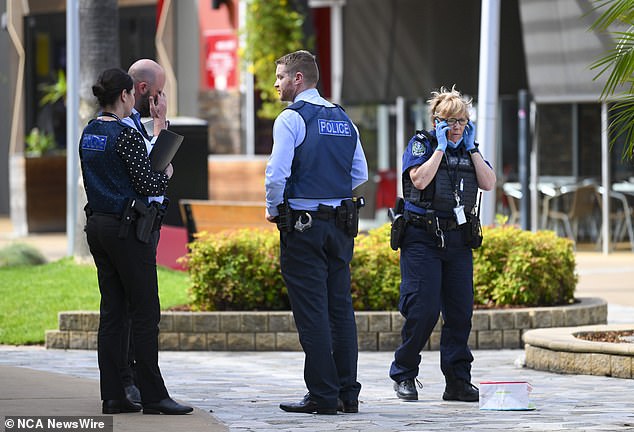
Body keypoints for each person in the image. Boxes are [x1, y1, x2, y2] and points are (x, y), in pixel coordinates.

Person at [79, 67, 192, 415]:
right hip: (128, 231)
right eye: (132, 96)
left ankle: (113, 394)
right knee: (145, 312)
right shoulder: (124, 135)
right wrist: (166, 172)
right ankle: (154, 395)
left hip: (99, 226)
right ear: (126, 95)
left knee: (112, 312)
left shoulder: (90, 132)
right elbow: (150, 185)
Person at [265, 50, 368, 415]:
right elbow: (359, 174)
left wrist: (274, 210)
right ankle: (347, 394)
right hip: (340, 225)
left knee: (312, 313)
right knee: (340, 310)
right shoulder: (343, 119)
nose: (275, 84)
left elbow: (276, 174)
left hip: (304, 225)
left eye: (279, 77)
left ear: (298, 79)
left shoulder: (291, 118)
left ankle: (323, 396)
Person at [389, 86, 496, 403]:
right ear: (436, 121)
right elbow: (419, 180)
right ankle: (404, 374)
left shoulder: (467, 149)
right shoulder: (422, 145)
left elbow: (488, 183)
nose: (457, 127)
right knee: (422, 311)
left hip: (458, 239)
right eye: (450, 121)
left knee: (461, 312)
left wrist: (473, 148)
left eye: (462, 120)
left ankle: (458, 381)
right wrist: (439, 146)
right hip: (422, 237)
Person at [117, 59, 170, 404]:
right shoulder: (124, 127)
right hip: (132, 224)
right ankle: (130, 382)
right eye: (160, 92)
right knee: (137, 309)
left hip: (145, 221)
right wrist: (161, 124)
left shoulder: (138, 123)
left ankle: (131, 380)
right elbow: (153, 173)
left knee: (135, 308)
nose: (163, 98)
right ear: (142, 91)